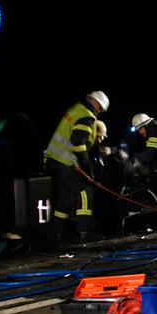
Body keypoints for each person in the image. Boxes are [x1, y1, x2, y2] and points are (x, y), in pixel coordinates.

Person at [43, 90, 109, 242]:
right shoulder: (87, 115)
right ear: (97, 104)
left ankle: (59, 232)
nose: (99, 112)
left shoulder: (76, 109)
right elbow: (78, 143)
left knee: (65, 196)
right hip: (68, 161)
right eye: (100, 109)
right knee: (85, 192)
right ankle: (85, 231)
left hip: (55, 159)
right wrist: (86, 168)